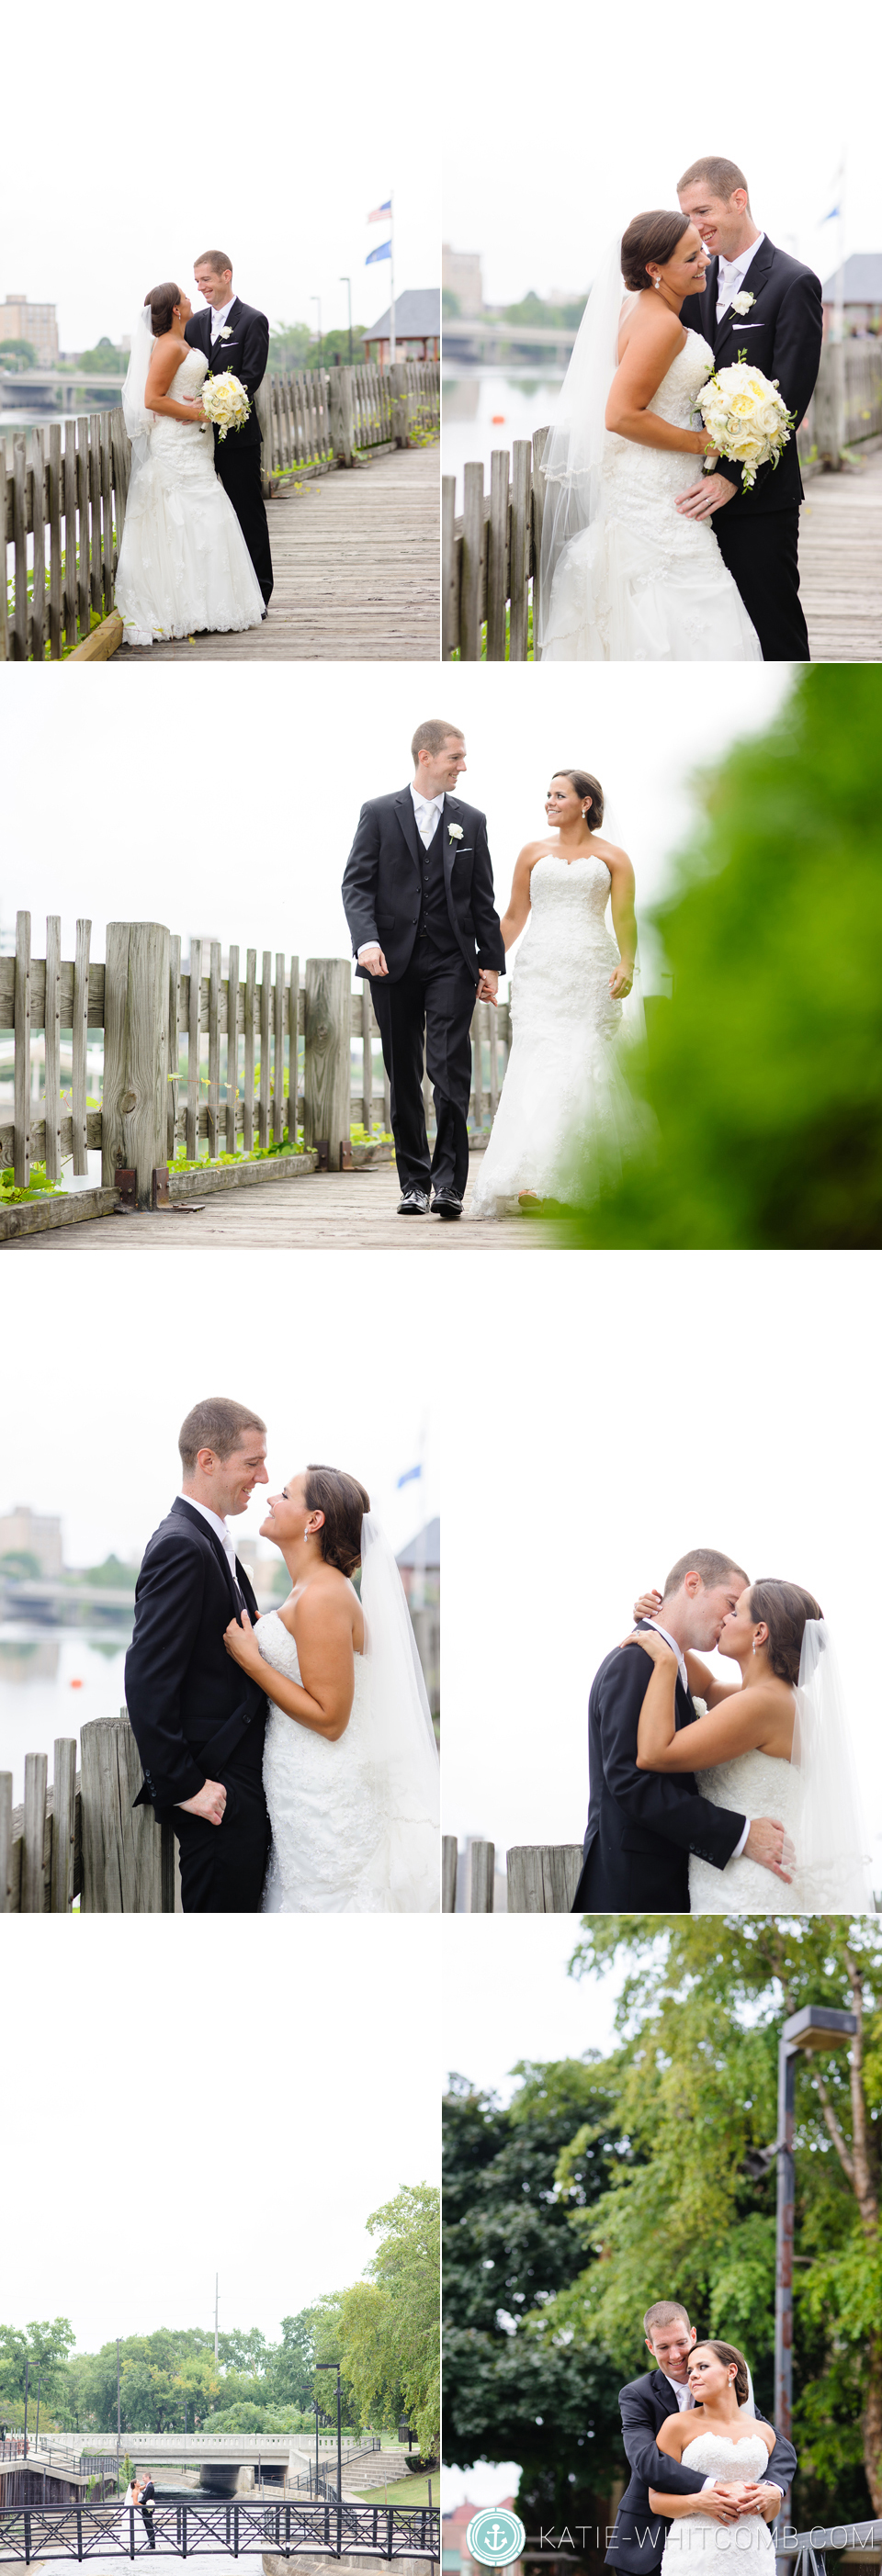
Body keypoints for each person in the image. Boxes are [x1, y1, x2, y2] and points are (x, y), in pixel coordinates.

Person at [537, 212, 762, 661]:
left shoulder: (635, 307)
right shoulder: (661, 324)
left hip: (644, 486)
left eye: (701, 248)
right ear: (655, 270)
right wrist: (701, 443)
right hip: (658, 498)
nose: (704, 261)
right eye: (690, 257)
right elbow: (620, 416)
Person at [221, 1466, 440, 1912]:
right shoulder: (311, 1589)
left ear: (313, 1520)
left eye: (284, 1495)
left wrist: (252, 1661)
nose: (270, 1500)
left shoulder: (322, 1594)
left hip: (326, 1789)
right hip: (304, 1783)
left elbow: (331, 1718)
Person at [622, 1575, 872, 1912]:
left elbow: (655, 1754)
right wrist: (655, 1622)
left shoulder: (762, 1704)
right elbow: (708, 1687)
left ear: (759, 1633)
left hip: (746, 1884)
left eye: (735, 1613)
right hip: (749, 1874)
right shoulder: (781, 1698)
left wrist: (666, 1663)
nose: (725, 1618)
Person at [341, 720, 506, 1219]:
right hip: (390, 961)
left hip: (452, 961)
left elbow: (483, 899)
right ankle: (413, 1183)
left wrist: (492, 964)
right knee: (404, 1074)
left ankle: (449, 1185)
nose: (463, 766)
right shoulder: (377, 813)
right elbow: (356, 885)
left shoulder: (471, 820)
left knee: (449, 1072)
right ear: (425, 757)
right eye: (455, 756)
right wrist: (366, 942)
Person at [571, 1550, 792, 1913]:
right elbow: (630, 1781)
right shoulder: (635, 1662)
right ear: (693, 1584)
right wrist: (740, 1834)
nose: (728, 1618)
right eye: (730, 1603)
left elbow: (719, 1692)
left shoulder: (669, 1663)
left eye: (738, 1612)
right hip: (634, 1888)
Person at [470, 768, 643, 1215]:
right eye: (547, 794)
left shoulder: (614, 858)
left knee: (584, 1064)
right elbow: (512, 917)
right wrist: (489, 965)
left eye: (559, 795)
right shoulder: (532, 853)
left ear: (585, 804)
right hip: (540, 973)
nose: (549, 802)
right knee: (539, 1064)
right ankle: (531, 1179)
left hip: (591, 972)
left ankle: (584, 1175)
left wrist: (627, 962)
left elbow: (624, 918)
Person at [125, 1398, 272, 1913]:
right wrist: (186, 1786)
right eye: (252, 1463)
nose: (264, 1475)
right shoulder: (182, 1545)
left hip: (236, 1781)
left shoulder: (210, 1539)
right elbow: (148, 1677)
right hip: (215, 1792)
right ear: (208, 1461)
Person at [674, 156, 823, 660]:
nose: (695, 227)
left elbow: (789, 402)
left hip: (760, 499)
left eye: (703, 210)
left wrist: (732, 476)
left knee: (773, 628)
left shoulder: (793, 281)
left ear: (739, 199)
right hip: (687, 494)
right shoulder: (694, 279)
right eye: (687, 216)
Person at [115, 282, 266, 647]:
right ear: (177, 310)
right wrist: (195, 410)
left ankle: (210, 605)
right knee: (185, 515)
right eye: (185, 294)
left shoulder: (183, 339)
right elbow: (152, 398)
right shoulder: (167, 346)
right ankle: (183, 606)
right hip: (176, 442)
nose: (191, 296)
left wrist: (210, 405)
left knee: (204, 516)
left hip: (197, 444)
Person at [606, 2299, 795, 2576]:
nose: (675, 2355)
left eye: (681, 2343)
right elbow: (647, 2462)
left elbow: (780, 2447)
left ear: (693, 2335)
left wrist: (772, 2488)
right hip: (648, 2534)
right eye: (663, 2347)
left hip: (734, 2542)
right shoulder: (636, 2395)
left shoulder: (726, 2393)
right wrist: (714, 2488)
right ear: (650, 2348)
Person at [185, 250, 274, 608]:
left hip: (238, 437)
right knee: (207, 517)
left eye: (205, 279)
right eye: (196, 282)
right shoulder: (194, 324)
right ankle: (217, 596)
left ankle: (260, 595)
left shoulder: (253, 320)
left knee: (246, 511)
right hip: (197, 441)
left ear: (226, 276)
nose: (201, 287)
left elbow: (251, 377)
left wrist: (215, 404)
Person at [650, 2341, 784, 2576]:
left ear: (731, 2371)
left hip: (753, 2553)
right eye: (690, 2371)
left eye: (702, 2367)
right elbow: (656, 2500)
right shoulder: (676, 2426)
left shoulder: (765, 2433)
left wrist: (771, 2497)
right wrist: (698, 2502)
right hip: (695, 2552)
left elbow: (769, 2513)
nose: (693, 2376)